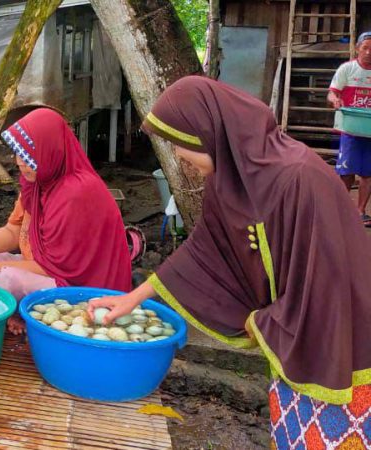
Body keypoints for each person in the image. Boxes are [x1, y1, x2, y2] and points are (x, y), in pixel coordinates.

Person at [88, 76, 371, 448]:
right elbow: (205, 249)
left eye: (181, 145)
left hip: (336, 340)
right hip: (287, 340)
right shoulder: (228, 180)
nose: (179, 157)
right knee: (289, 434)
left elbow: (332, 277)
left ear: (209, 133)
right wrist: (133, 297)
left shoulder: (300, 177)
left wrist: (269, 323)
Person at [0, 108, 132, 334]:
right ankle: (12, 314)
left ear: (50, 151)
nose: (19, 162)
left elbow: (53, 270)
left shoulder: (75, 193)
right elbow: (14, 232)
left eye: (27, 156)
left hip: (85, 292)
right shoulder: (38, 182)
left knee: (6, 276)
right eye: (18, 154)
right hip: (45, 269)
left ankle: (1, 323)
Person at [327, 31, 371, 225]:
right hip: (349, 129)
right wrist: (335, 100)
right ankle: (340, 210)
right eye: (365, 48)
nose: (369, 52)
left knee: (367, 173)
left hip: (369, 131)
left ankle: (360, 212)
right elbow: (332, 93)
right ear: (357, 49)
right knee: (346, 172)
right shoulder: (347, 69)